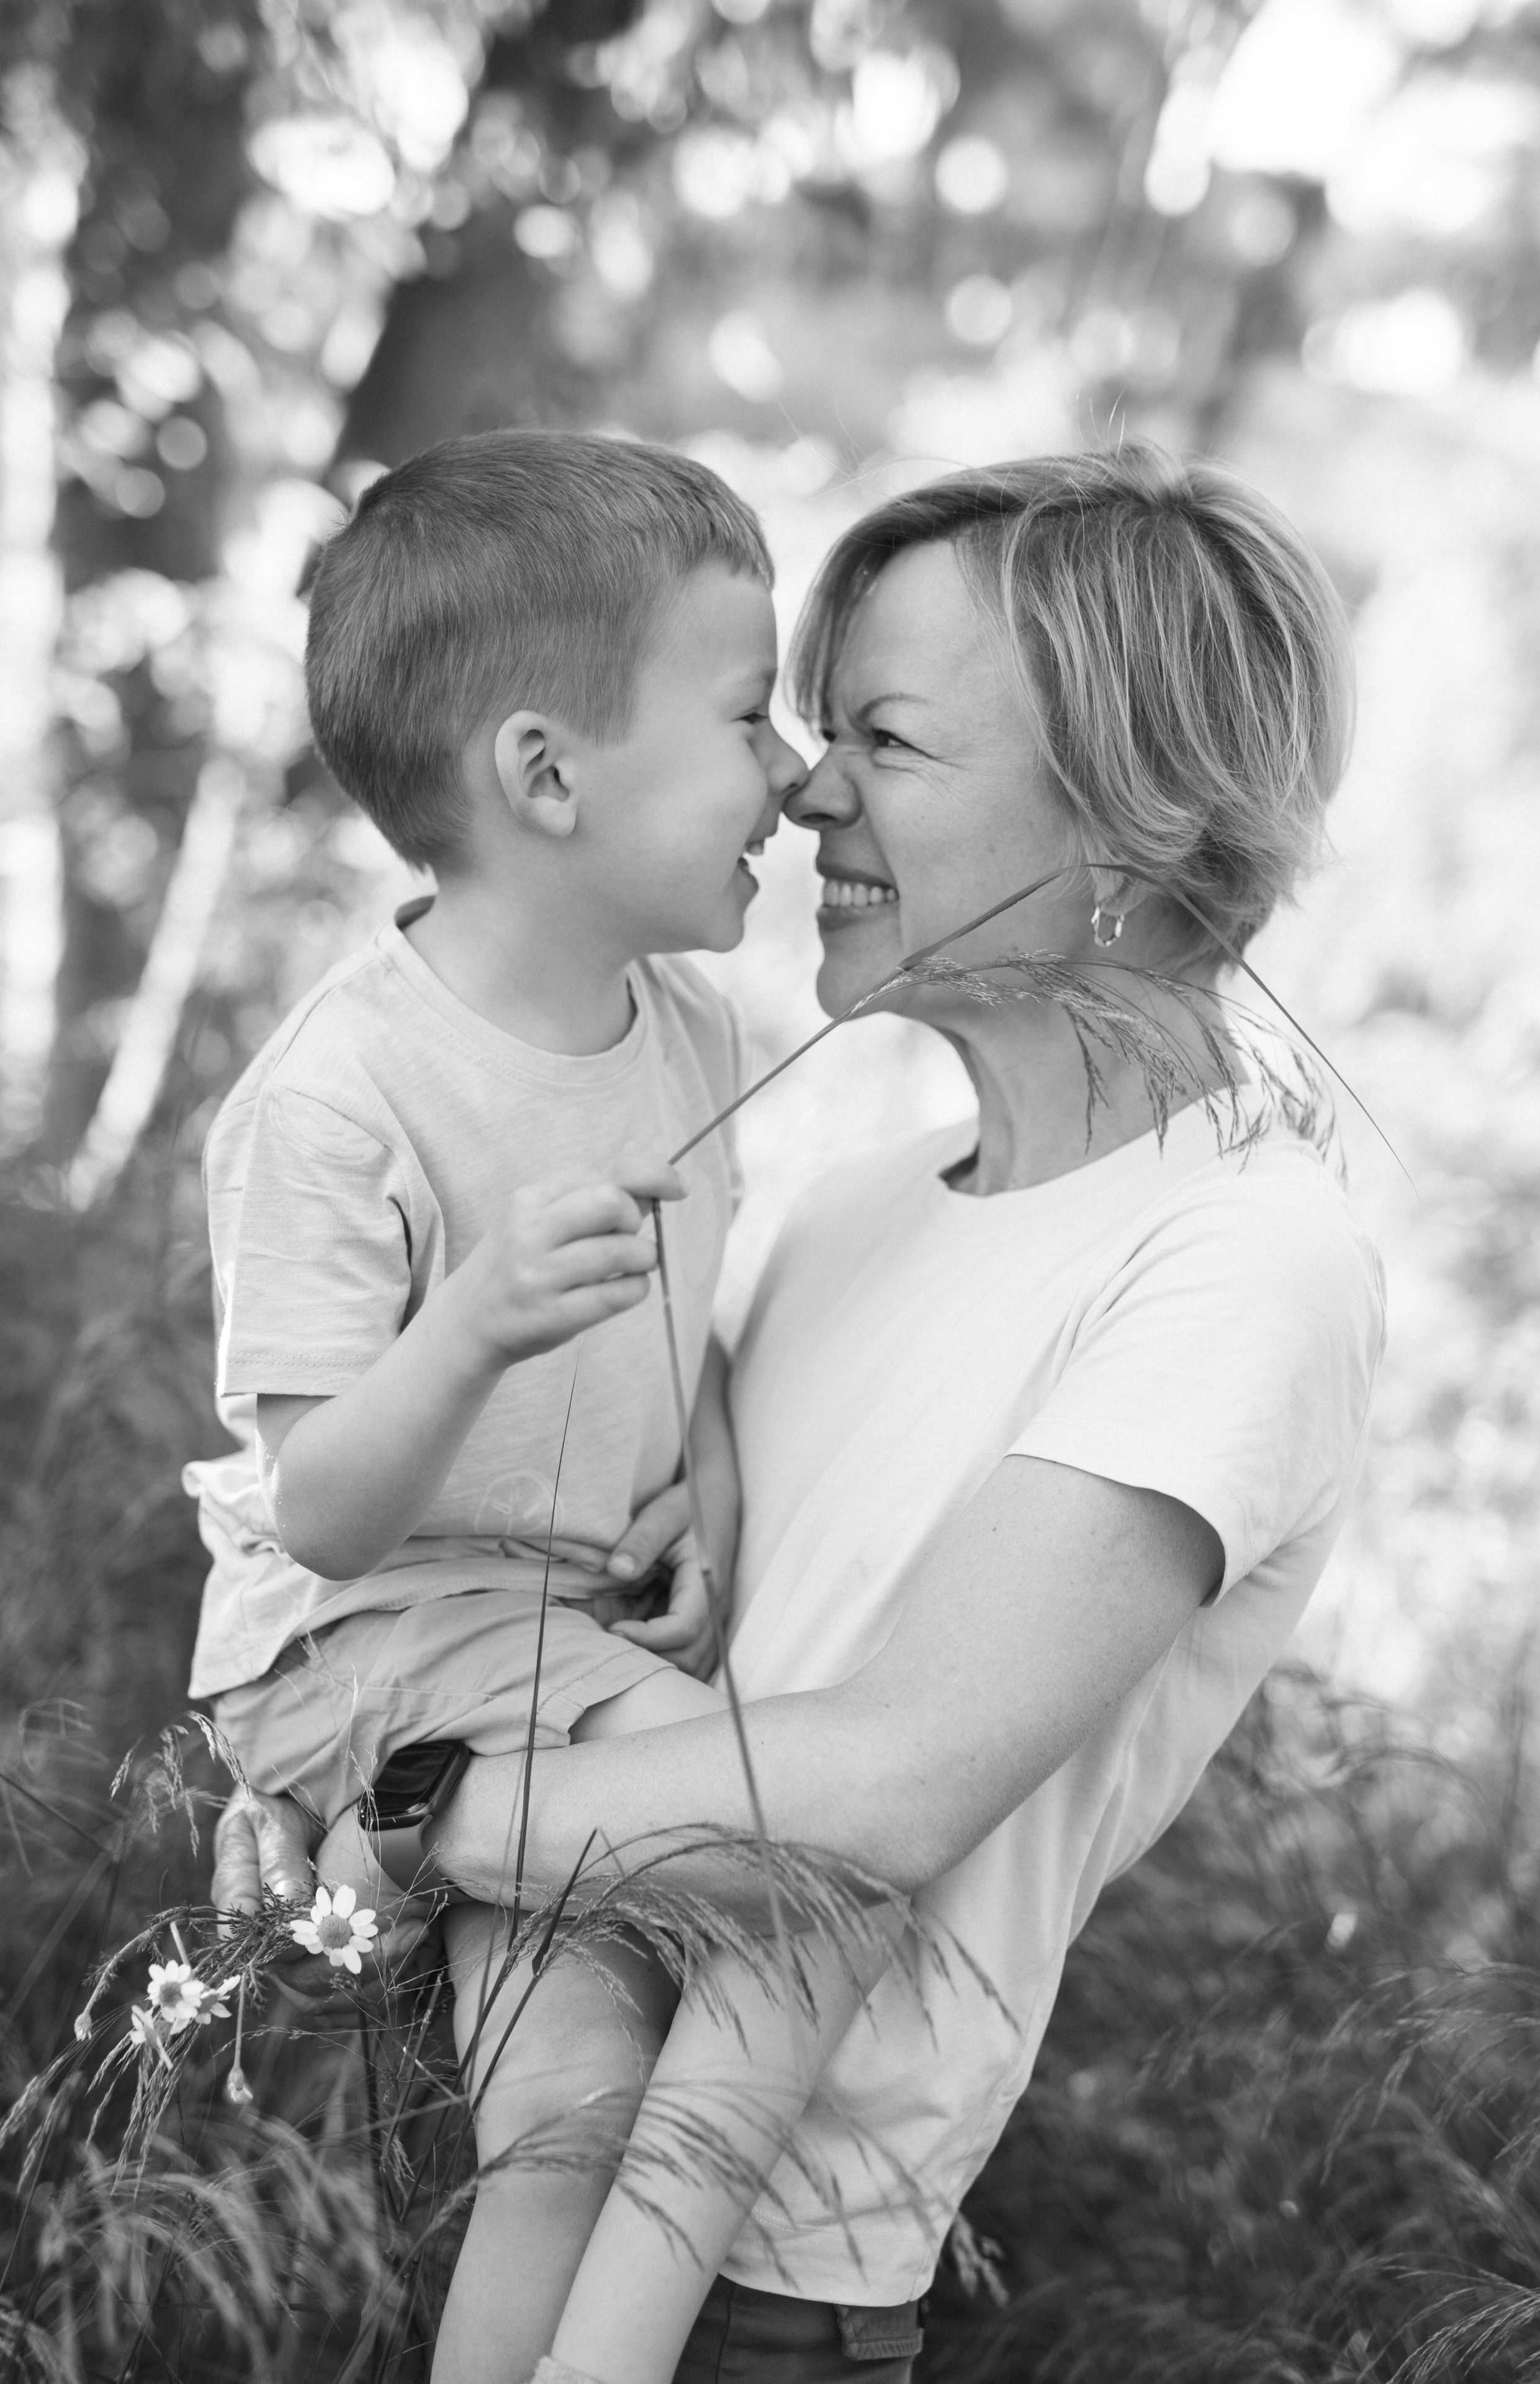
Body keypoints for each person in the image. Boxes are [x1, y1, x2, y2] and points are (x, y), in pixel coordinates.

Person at [212, 443, 1387, 2384]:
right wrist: (318, 1723)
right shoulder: (835, 1202)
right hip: (508, 2118)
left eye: (890, 739)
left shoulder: (1241, 1256)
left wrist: (410, 1813)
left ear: (1137, 819)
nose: (811, 783)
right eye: (804, 721)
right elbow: (532, 1554)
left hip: (760, 2290)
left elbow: (883, 1788)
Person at [184, 428, 898, 2384]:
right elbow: (318, 1502)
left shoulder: (694, 1033)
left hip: (552, 1642)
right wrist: (473, 1325)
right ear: (546, 774)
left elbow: (685, 1327)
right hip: (373, 1637)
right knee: (810, 1877)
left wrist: (709, 1491)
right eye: (750, 711)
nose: (796, 769)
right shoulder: (338, 1102)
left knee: (570, 2096)